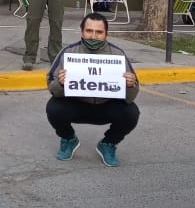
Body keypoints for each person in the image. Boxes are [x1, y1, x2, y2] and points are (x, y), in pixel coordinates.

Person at [46, 13, 140, 167]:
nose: (93, 36)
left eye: (99, 32)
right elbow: (51, 86)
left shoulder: (118, 54)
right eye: (89, 31)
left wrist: (131, 85)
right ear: (82, 32)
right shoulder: (69, 52)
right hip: (77, 104)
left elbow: (131, 97)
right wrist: (60, 83)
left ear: (106, 34)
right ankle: (68, 139)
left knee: (131, 113)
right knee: (53, 108)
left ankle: (108, 144)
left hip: (107, 105)